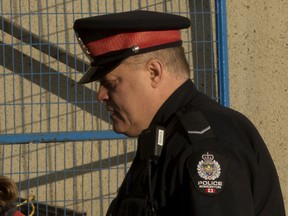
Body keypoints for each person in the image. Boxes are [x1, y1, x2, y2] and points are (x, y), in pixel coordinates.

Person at [73, 10, 286, 216]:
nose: (101, 95)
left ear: (153, 72)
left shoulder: (204, 145)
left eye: (110, 83)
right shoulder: (165, 137)